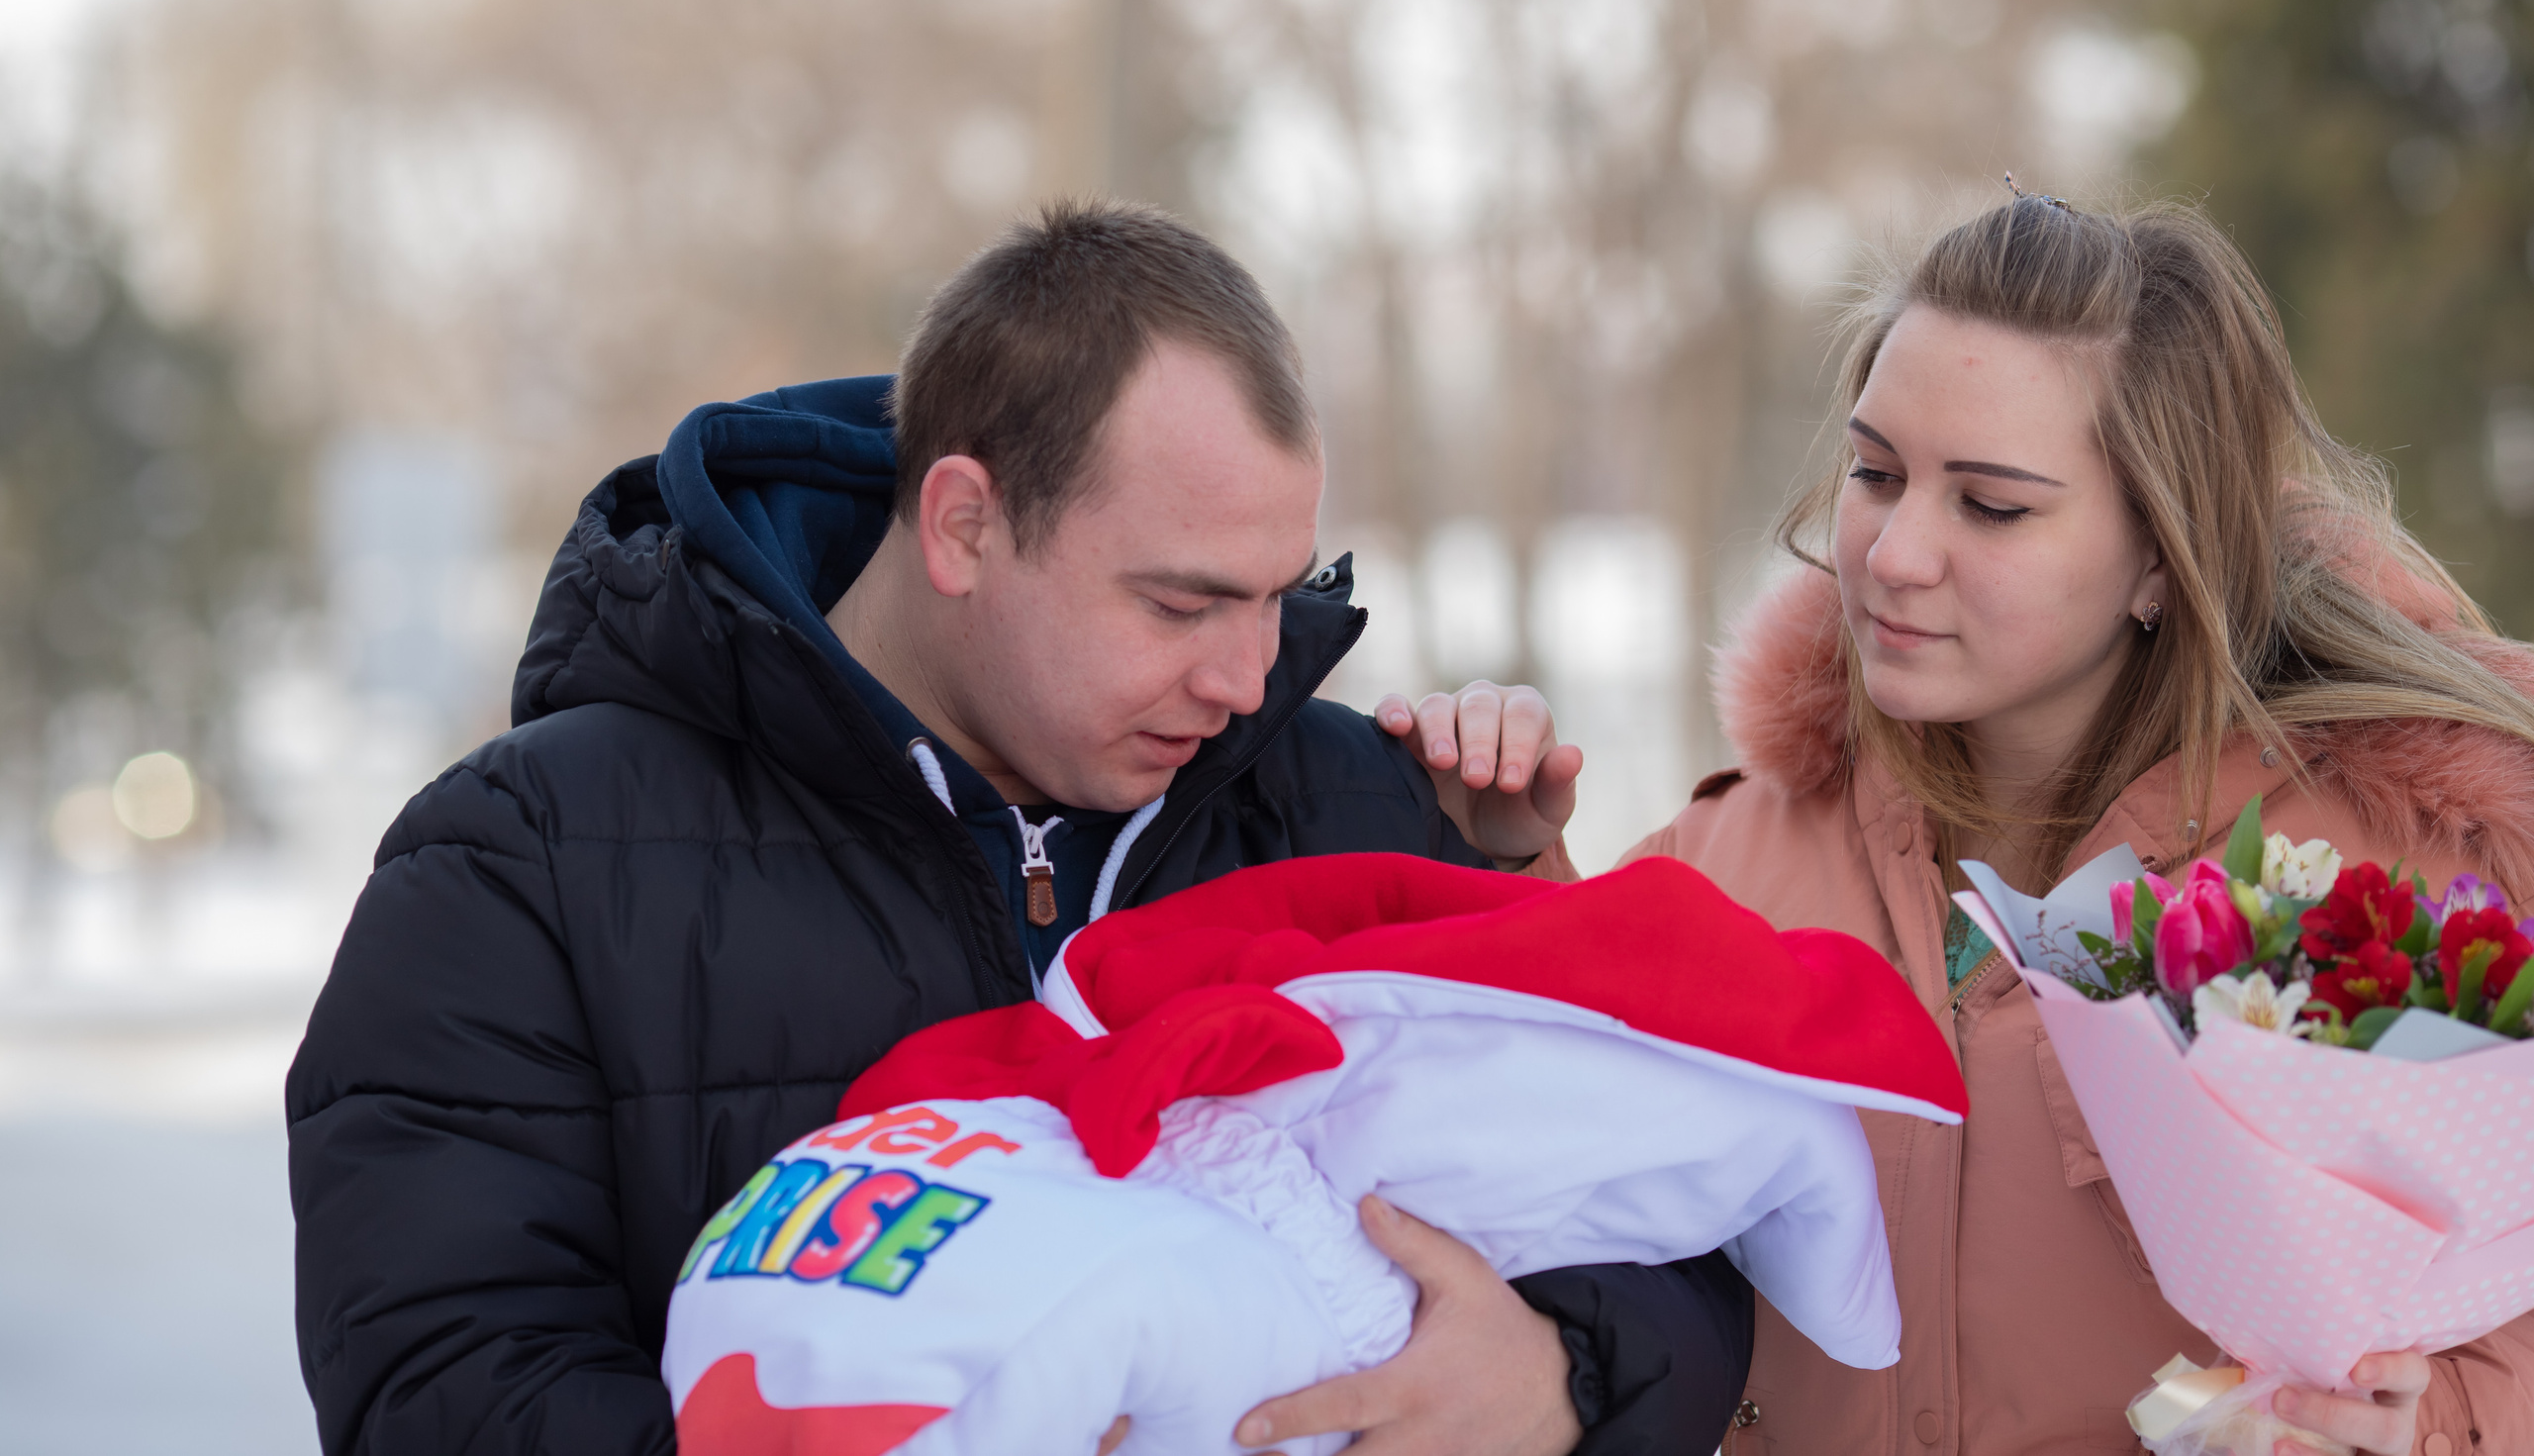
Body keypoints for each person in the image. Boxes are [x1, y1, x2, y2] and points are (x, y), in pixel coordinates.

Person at [287, 199, 1754, 1456]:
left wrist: (1561, 1377)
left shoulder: (1357, 806)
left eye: (1274, 593)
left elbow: (1687, 1215)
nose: (1248, 676)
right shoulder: (518, 863)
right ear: (964, 524)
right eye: (1182, 602)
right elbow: (443, 1386)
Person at [1628, 192, 2534, 1456]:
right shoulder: (1728, 856)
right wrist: (1501, 857)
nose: (1893, 554)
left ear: (2162, 556)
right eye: (1876, 473)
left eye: (1990, 506)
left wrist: (2420, 1428)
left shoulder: (2388, 886)